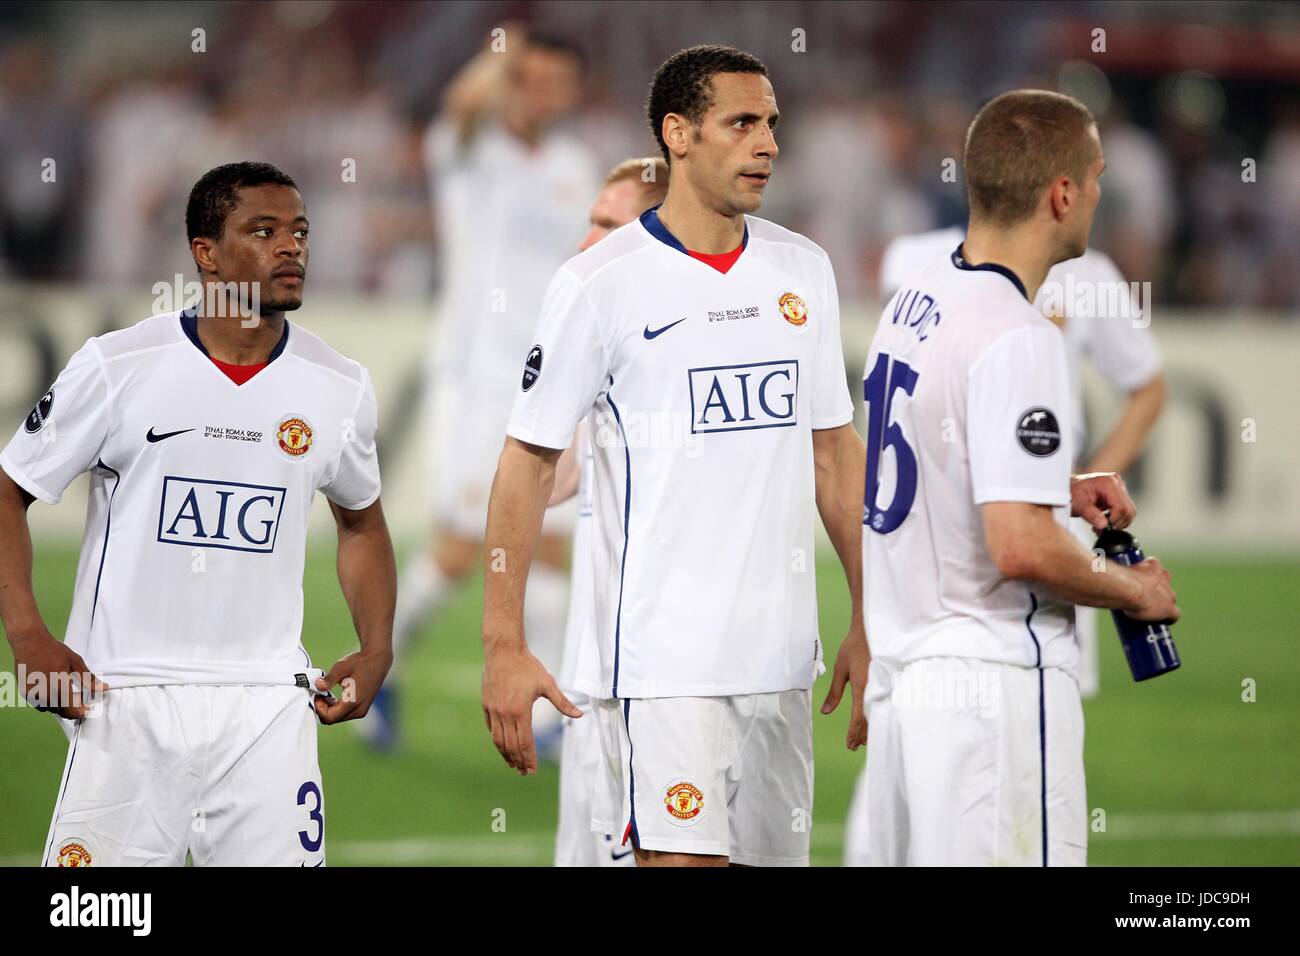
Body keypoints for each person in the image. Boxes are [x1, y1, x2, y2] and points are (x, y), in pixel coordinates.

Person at [481, 45, 869, 868]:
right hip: (663, 669)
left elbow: (835, 456)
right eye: (742, 123)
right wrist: (503, 643)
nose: (767, 143)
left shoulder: (804, 270)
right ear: (678, 134)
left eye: (771, 124)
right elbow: (527, 461)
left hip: (780, 664)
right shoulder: (600, 283)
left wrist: (872, 614)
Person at [0, 162, 395, 866]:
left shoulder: (339, 387)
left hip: (269, 702)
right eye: (263, 231)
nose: (291, 248)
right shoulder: (118, 367)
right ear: (205, 253)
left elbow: (360, 519)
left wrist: (377, 645)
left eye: (300, 232)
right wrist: (27, 634)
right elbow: (10, 490)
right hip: (125, 695)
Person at [859, 90, 1179, 867]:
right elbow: (1022, 548)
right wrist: (1134, 590)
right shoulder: (1019, 335)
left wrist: (1051, 482)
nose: (1100, 197)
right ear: (1062, 193)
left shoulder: (917, 300)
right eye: (1095, 179)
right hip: (992, 694)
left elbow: (932, 456)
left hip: (910, 684)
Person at [367, 27, 597, 752]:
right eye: (532, 79)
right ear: (511, 81)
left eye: (558, 82)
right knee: (465, 549)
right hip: (476, 376)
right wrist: (506, 48)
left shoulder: (576, 165)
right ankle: (382, 669)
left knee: (555, 546)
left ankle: (556, 719)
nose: (544, 93)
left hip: (552, 377)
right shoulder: (472, 149)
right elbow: (460, 102)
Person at [549, 156, 669, 868]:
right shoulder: (594, 326)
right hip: (591, 673)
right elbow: (558, 478)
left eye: (608, 225)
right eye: (589, 221)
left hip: (658, 675)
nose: (588, 240)